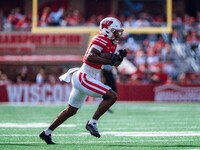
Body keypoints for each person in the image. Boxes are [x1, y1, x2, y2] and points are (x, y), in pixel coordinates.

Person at [39, 17, 127, 144]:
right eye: (116, 31)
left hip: (85, 78)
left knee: (70, 111)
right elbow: (90, 57)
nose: (118, 34)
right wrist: (111, 60)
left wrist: (120, 58)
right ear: (108, 30)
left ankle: (46, 133)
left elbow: (115, 64)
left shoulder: (112, 44)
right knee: (112, 96)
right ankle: (92, 122)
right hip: (84, 77)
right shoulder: (100, 38)